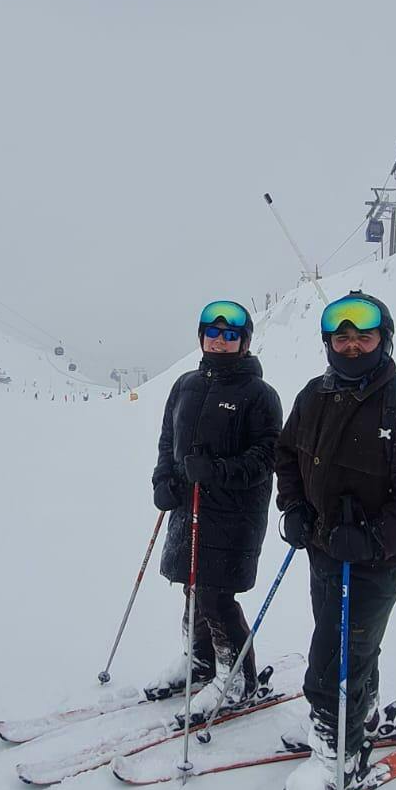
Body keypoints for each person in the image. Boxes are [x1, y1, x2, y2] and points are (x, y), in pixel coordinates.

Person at [261, 292, 396, 790]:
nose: (351, 346)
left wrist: (371, 540)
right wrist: (295, 507)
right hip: (324, 550)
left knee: (335, 656)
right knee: (343, 638)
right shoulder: (314, 395)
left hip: (377, 561)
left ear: (383, 341)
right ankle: (358, 717)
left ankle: (337, 758)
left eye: (363, 337)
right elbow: (287, 456)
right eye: (341, 338)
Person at [147, 300, 282, 705]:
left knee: (215, 595)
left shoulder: (259, 394)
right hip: (187, 506)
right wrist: (163, 479)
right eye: (213, 333)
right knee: (192, 587)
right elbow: (168, 440)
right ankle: (201, 660)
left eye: (230, 335)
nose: (220, 341)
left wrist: (217, 470)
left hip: (233, 512)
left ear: (244, 342)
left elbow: (268, 456)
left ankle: (238, 679)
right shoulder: (185, 385)